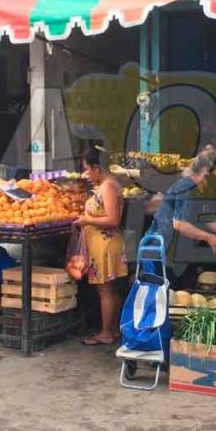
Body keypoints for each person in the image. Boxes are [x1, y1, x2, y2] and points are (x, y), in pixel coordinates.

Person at [149, 145, 216, 268]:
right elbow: (179, 224)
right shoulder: (186, 189)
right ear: (206, 172)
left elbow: (210, 220)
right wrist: (208, 237)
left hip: (183, 248)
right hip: (166, 249)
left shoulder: (202, 189)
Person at [76, 147, 128, 346]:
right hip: (103, 243)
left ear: (97, 168)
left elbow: (113, 219)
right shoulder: (106, 185)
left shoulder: (108, 187)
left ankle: (105, 333)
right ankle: (113, 329)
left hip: (105, 245)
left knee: (104, 290)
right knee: (110, 289)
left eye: (87, 169)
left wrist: (87, 220)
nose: (86, 174)